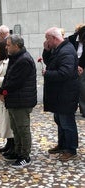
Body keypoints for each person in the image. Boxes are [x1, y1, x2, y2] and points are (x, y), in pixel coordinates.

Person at [0, 34, 37, 168]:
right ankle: (18, 151)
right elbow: (9, 77)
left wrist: (2, 91)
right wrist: (3, 91)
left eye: (8, 45)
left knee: (23, 129)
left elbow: (15, 82)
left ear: (17, 46)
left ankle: (25, 156)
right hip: (15, 100)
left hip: (22, 101)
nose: (6, 47)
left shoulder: (23, 60)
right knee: (16, 128)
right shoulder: (15, 57)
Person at [42, 27, 79, 161]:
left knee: (67, 122)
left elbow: (65, 73)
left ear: (54, 38)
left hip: (66, 94)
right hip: (59, 94)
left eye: (47, 39)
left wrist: (48, 74)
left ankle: (71, 149)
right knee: (59, 120)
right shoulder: (59, 49)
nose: (46, 42)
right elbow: (50, 62)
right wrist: (46, 50)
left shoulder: (67, 51)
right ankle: (63, 144)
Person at [68, 24, 85, 117]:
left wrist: (81, 66)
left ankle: (83, 109)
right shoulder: (72, 39)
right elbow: (69, 52)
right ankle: (71, 108)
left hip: (83, 66)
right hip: (73, 65)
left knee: (82, 87)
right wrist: (76, 65)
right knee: (73, 87)